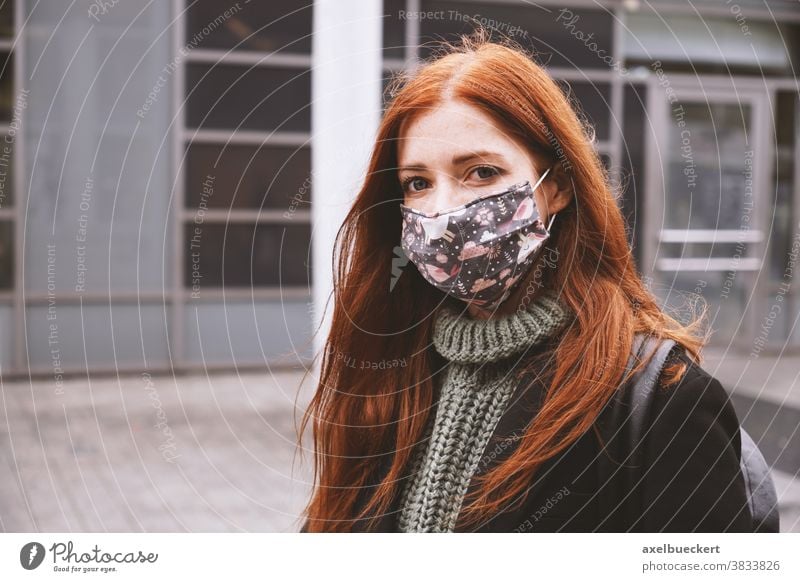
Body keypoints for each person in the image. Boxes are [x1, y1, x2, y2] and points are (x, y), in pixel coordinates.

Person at [297, 31, 753, 533]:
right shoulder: (389, 367)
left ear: (554, 187)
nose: (443, 209)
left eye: (481, 172)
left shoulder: (657, 394)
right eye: (417, 183)